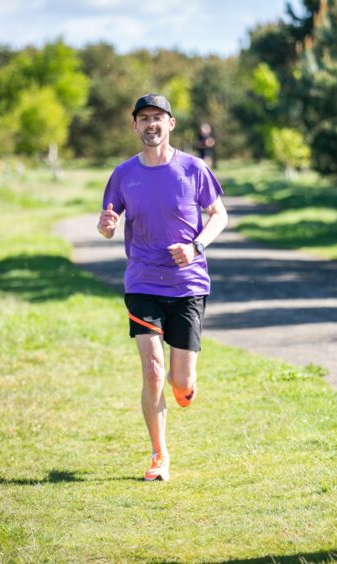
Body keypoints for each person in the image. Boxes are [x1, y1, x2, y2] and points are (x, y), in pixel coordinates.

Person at [97, 93, 228, 482]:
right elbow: (107, 223)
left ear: (170, 124)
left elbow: (218, 215)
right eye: (143, 118)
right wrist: (105, 227)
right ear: (134, 125)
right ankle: (159, 455)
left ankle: (185, 385)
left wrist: (196, 246)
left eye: (158, 117)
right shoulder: (123, 174)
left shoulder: (193, 168)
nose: (151, 124)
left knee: (180, 384)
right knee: (153, 372)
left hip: (188, 284)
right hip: (142, 281)